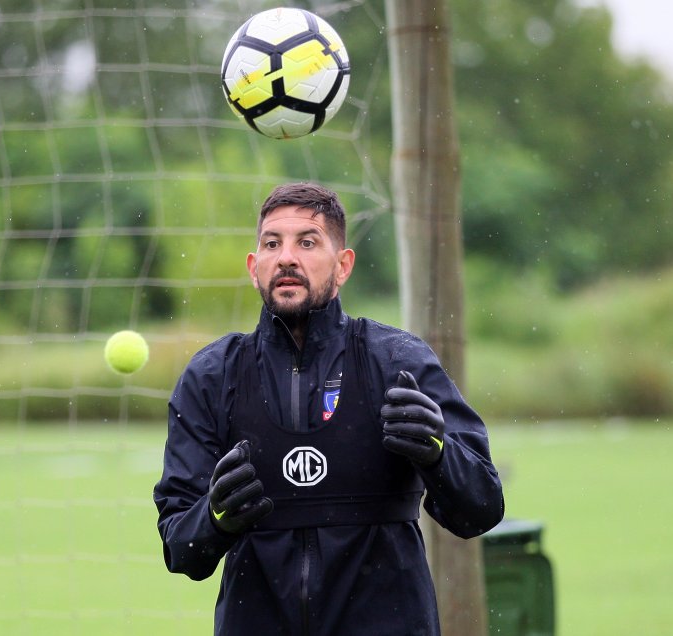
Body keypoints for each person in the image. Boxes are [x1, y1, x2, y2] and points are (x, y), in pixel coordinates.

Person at [153, 182, 504, 635]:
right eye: (272, 243)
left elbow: (482, 510)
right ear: (253, 267)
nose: (286, 257)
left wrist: (439, 454)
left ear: (343, 266)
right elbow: (180, 551)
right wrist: (215, 518)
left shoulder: (398, 361)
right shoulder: (212, 375)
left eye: (307, 241)